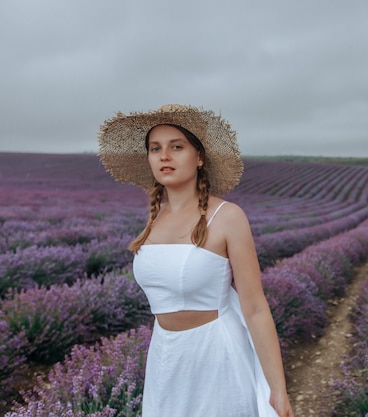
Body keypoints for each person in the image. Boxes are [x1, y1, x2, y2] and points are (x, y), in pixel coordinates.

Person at [98, 104, 293, 417]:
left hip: (217, 354)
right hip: (166, 357)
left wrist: (278, 390)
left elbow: (255, 308)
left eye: (177, 146)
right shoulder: (154, 220)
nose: (164, 156)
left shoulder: (227, 217)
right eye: (155, 148)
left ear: (199, 157)